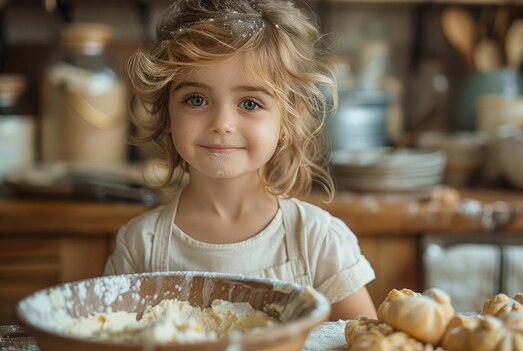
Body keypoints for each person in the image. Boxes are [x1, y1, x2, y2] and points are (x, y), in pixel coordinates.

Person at [104, 0, 377, 320]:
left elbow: (366, 339)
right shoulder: (140, 246)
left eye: (249, 103)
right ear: (166, 113)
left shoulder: (317, 241)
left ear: (288, 120)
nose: (222, 123)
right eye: (196, 99)